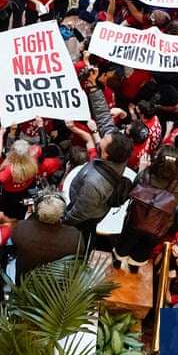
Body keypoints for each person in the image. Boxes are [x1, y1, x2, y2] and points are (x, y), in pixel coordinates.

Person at [63, 69, 134, 233]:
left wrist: (64, 221)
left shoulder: (94, 183)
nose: (101, 137)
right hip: (93, 204)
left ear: (107, 154)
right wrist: (93, 87)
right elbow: (104, 118)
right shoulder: (120, 150)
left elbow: (80, 212)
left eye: (103, 140)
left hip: (87, 216)